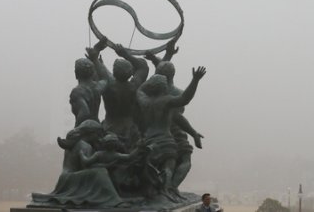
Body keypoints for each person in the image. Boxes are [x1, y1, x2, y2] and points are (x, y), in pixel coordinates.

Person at [137, 67, 206, 201]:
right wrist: (195, 80)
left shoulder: (145, 102)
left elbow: (139, 90)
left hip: (148, 140)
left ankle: (159, 191)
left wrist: (151, 80)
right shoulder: (167, 101)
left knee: (152, 168)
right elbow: (185, 98)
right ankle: (167, 189)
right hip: (165, 141)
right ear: (164, 88)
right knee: (168, 166)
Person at [30, 120, 128, 208]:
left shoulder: (75, 143)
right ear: (91, 133)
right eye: (98, 135)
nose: (99, 138)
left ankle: (110, 198)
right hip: (72, 178)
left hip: (66, 177)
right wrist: (107, 165)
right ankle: (114, 200)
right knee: (100, 172)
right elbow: (87, 166)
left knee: (100, 171)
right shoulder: (84, 145)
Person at [86, 40, 149, 150]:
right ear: (130, 73)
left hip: (109, 129)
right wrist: (124, 54)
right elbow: (143, 66)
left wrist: (95, 57)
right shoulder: (134, 86)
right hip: (130, 131)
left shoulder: (108, 86)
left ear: (114, 72)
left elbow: (101, 72)